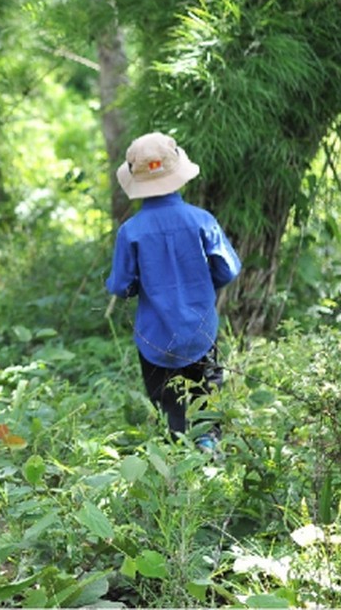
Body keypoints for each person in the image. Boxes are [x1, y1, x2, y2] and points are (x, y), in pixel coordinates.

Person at [105, 132, 241, 454]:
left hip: (155, 340)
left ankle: (177, 459)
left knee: (169, 408)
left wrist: (141, 284)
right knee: (206, 402)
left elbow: (122, 286)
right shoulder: (201, 220)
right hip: (200, 332)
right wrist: (201, 284)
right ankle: (210, 452)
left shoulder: (131, 232)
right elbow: (228, 269)